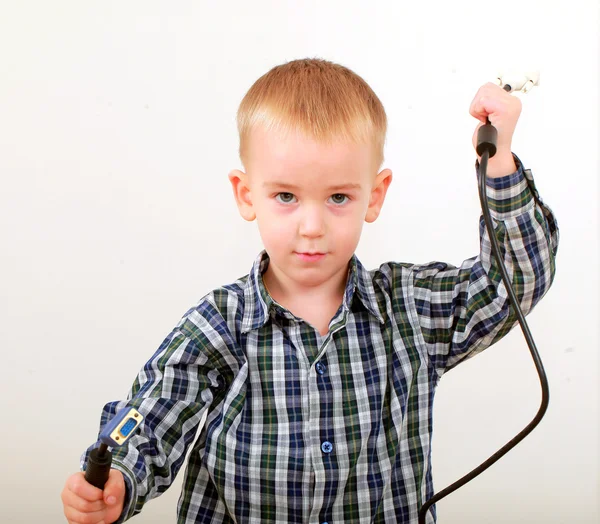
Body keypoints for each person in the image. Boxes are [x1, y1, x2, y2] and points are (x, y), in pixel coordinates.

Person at [61, 58, 559, 524]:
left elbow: (513, 282)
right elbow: (153, 411)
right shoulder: (220, 322)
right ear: (245, 194)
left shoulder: (409, 308)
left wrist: (500, 163)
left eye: (338, 197)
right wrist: (119, 477)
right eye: (285, 196)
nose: (312, 226)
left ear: (375, 195)